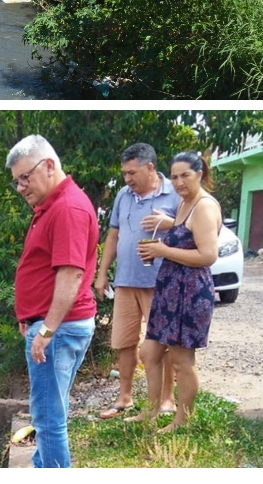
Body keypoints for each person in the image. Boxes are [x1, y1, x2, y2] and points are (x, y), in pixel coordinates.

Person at [7, 135, 99, 467]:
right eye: (17, 181)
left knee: (48, 420)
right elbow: (46, 269)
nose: (20, 187)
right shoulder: (54, 204)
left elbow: (71, 275)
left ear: (48, 166)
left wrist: (45, 329)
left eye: (24, 178)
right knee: (49, 411)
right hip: (53, 325)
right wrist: (30, 315)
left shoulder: (68, 208)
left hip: (58, 330)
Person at [132, 151, 221, 431]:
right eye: (174, 177)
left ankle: (182, 420)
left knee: (182, 361)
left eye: (185, 175)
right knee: (149, 352)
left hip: (190, 293)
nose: (179, 182)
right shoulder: (185, 203)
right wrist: (160, 247)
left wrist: (163, 250)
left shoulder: (204, 206)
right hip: (170, 290)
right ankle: (151, 411)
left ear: (200, 174)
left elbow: (208, 256)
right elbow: (185, 236)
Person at [94, 143, 179, 419]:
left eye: (132, 173)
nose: (127, 179)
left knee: (161, 342)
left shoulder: (175, 194)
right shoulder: (123, 195)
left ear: (150, 167)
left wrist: (171, 223)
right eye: (124, 174)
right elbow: (114, 235)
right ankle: (125, 397)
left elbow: (194, 231)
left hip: (160, 282)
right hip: (126, 280)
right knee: (124, 341)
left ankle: (167, 399)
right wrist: (102, 272)